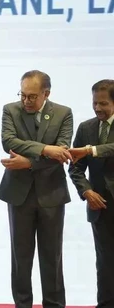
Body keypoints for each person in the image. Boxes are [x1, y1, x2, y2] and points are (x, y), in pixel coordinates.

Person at [0, 70, 73, 308]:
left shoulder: (63, 113)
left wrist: (30, 161)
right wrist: (45, 150)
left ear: (46, 94)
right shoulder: (11, 109)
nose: (26, 101)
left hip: (52, 193)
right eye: (23, 95)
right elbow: (9, 142)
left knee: (52, 257)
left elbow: (62, 152)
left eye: (32, 96)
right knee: (21, 257)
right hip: (19, 194)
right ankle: (22, 305)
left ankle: (54, 304)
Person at [68, 79, 114, 307]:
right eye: (94, 103)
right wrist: (86, 192)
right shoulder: (86, 128)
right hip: (100, 206)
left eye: (103, 103)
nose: (97, 108)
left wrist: (90, 150)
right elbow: (75, 167)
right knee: (105, 263)